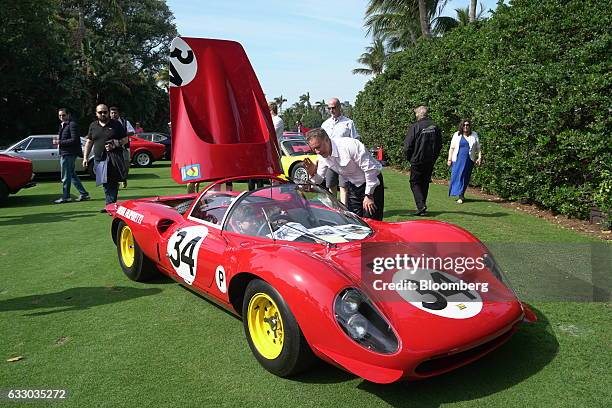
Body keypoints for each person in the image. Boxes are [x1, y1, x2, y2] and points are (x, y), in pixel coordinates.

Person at [303, 128, 384, 221]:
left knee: (372, 222)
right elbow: (319, 180)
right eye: (314, 149)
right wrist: (312, 173)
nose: (317, 152)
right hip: (353, 185)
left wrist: (369, 195)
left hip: (372, 182)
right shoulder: (321, 157)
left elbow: (370, 170)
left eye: (318, 147)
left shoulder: (349, 145)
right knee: (355, 221)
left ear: (327, 139)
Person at [82, 104, 128, 212]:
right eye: (100, 112)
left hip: (114, 158)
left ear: (108, 112)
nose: (103, 114)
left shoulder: (116, 124)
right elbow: (89, 142)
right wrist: (85, 158)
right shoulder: (93, 125)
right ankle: (110, 204)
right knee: (105, 182)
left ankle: (110, 205)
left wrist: (117, 143)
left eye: (105, 112)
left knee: (111, 181)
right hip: (99, 159)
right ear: (96, 113)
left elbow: (125, 139)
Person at [404, 105, 443, 216]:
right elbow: (440, 144)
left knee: (414, 182)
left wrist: (409, 158)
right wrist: (435, 156)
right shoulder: (435, 126)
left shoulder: (415, 126)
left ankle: (421, 205)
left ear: (418, 114)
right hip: (430, 159)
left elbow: (408, 145)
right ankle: (422, 205)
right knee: (425, 182)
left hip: (417, 159)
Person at [321, 98, 361, 205]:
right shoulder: (325, 124)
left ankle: (344, 210)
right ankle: (334, 209)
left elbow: (356, 140)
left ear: (339, 107)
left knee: (343, 186)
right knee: (330, 185)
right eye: (329, 108)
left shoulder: (348, 123)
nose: (331, 110)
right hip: (330, 160)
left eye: (333, 108)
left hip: (344, 160)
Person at [53, 108, 90, 203]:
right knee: (72, 175)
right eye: (60, 115)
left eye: (63, 115)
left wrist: (59, 142)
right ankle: (84, 194)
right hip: (65, 153)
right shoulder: (62, 125)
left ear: (68, 115)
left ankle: (66, 197)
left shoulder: (72, 125)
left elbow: (75, 140)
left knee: (65, 176)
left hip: (69, 154)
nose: (61, 117)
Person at [447, 119, 481, 203]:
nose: (466, 126)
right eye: (464, 125)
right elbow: (451, 148)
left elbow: (478, 148)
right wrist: (449, 159)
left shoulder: (474, 135)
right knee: (456, 176)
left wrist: (479, 157)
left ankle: (461, 196)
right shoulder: (456, 135)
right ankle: (458, 193)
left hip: (469, 160)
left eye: (467, 125)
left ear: (470, 126)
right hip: (457, 159)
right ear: (461, 126)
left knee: (465, 177)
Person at [109, 106, 134, 187]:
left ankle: (124, 178)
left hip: (125, 147)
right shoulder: (108, 123)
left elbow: (132, 132)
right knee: (115, 165)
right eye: (112, 113)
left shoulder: (125, 122)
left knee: (126, 165)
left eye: (115, 113)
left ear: (118, 113)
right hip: (113, 148)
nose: (113, 114)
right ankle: (117, 182)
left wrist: (122, 135)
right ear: (110, 114)